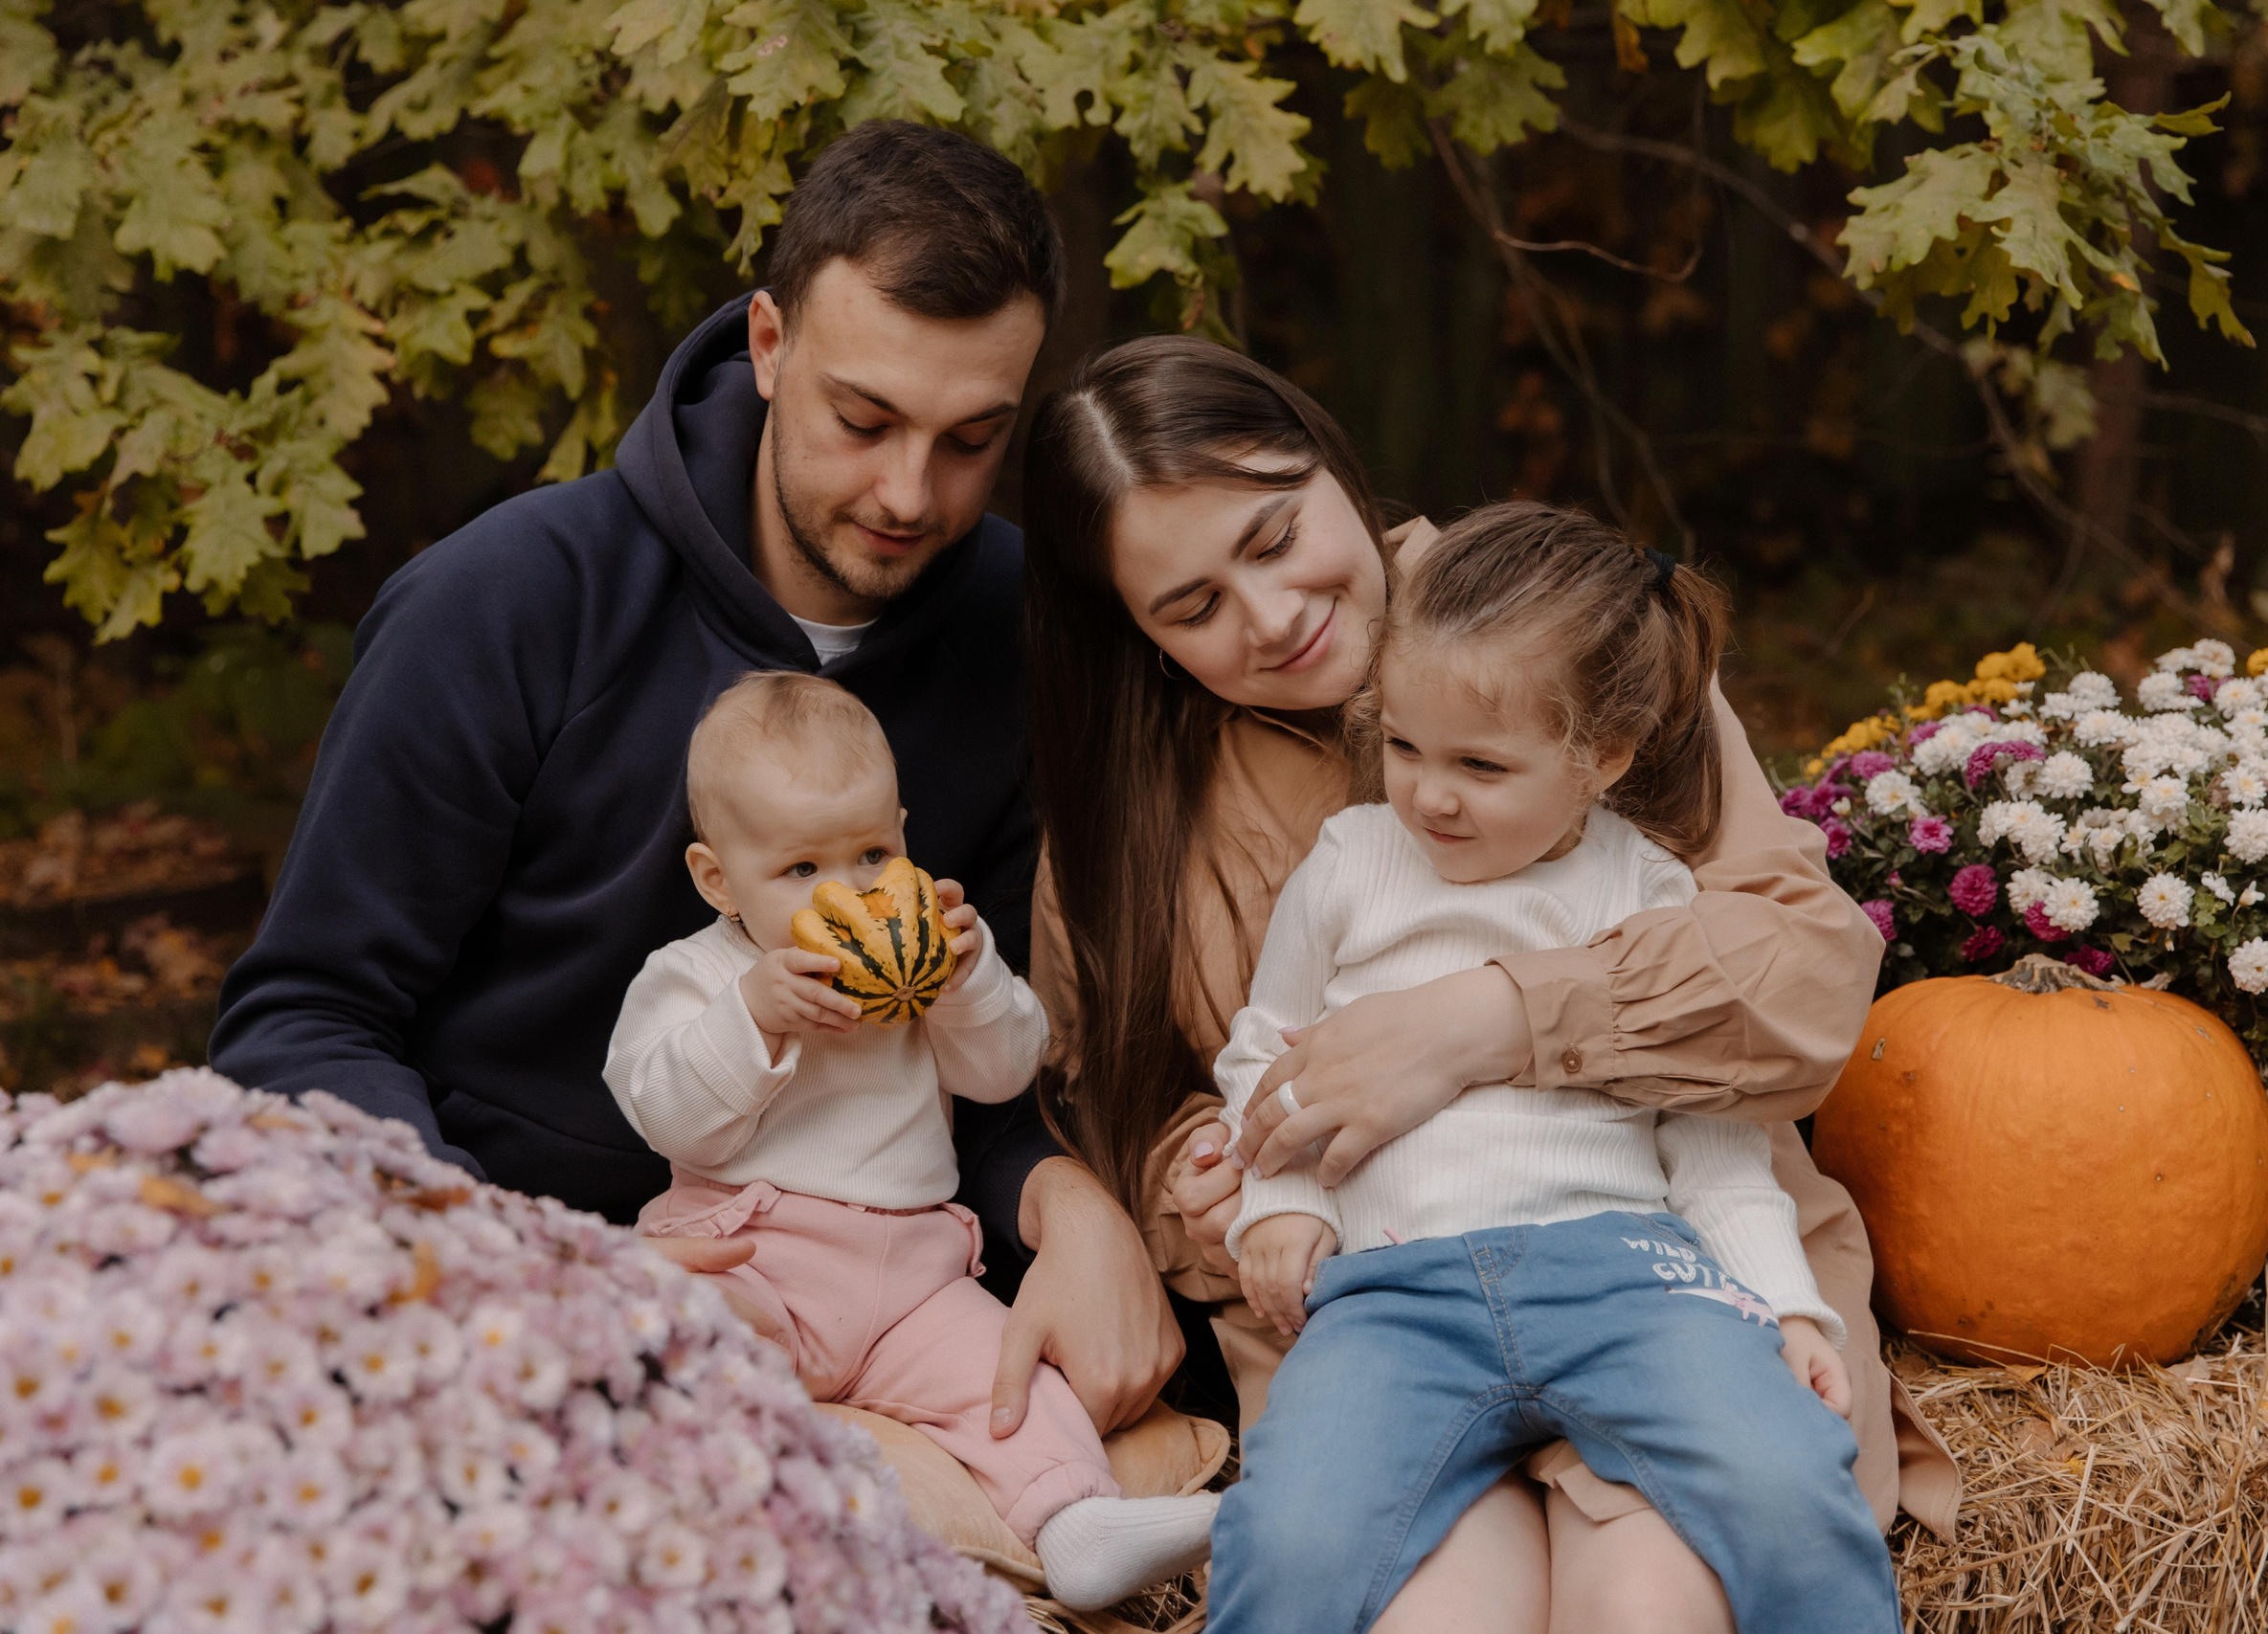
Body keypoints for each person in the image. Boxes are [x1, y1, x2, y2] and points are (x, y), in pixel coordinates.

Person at [211, 121, 1180, 1443]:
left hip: (879, 1314)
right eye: (864, 417)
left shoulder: (1021, 634)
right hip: (507, 1291)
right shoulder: (504, 604)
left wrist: (1073, 1202)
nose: (912, 492)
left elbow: (987, 1053)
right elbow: (303, 1019)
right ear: (770, 349)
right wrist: (528, 1275)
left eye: (972, 439)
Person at [1022, 335, 1957, 1633]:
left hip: (1661, 1277)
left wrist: (1493, 1020)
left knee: (1650, 1611)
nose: (1272, 613)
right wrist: (1217, 1174)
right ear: (1132, 630)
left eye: (1279, 533)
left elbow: (1801, 979)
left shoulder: (1549, 622)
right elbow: (1133, 1097)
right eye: (1191, 608)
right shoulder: (1127, 813)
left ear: (1333, 469)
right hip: (1371, 1324)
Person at [1205, 504, 1895, 1633]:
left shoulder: (1644, 888)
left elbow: (1710, 1138)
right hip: (1391, 1294)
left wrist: (1787, 1304)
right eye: (1405, 749)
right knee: (1290, 1539)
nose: (1429, 795)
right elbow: (1266, 1047)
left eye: (1480, 765)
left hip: (1626, 1278)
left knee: (1784, 1478)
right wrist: (1274, 1202)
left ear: (1600, 760)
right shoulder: (1349, 864)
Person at [606, 673, 1218, 1610]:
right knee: (696, 1331)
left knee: (1007, 1381)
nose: (845, 892)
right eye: (800, 871)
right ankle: (717, 1520)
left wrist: (970, 984)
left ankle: (1076, 1524)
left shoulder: (921, 956)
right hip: (760, 1253)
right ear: (716, 878)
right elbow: (663, 1110)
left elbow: (1004, 1071)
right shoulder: (693, 976)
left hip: (912, 1278)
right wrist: (753, 1019)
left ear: (900, 830)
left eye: (870, 853)